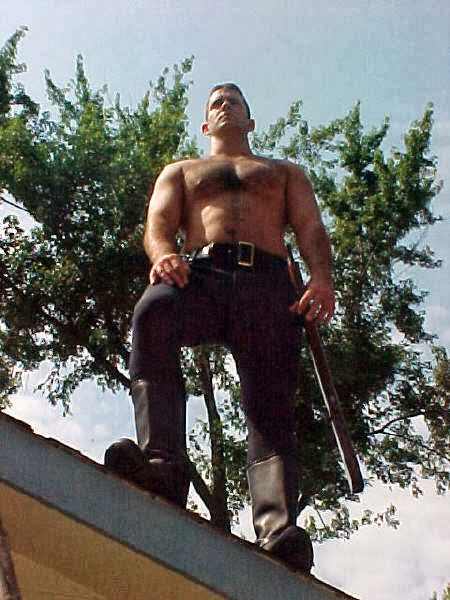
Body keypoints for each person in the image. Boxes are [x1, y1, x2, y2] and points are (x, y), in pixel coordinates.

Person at [105, 83, 335, 573]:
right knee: (154, 312)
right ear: (206, 124)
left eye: (234, 101)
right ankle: (163, 466)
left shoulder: (283, 173)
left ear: (250, 121)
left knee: (270, 402)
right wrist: (163, 254)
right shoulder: (182, 171)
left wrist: (321, 277)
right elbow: (157, 223)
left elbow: (311, 227)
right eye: (216, 103)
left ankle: (277, 527)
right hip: (202, 274)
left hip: (268, 284)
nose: (224, 105)